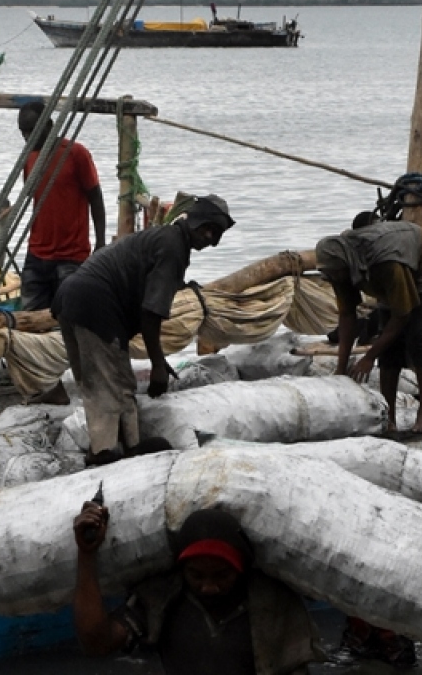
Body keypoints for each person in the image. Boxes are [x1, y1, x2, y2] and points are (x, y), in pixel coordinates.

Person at [52, 195, 234, 465]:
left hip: (71, 298)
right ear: (194, 221)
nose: (209, 238)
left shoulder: (164, 238)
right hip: (95, 304)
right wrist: (158, 364)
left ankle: (125, 447)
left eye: (215, 234)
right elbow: (151, 313)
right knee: (111, 384)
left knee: (104, 381)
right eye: (207, 229)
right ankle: (106, 454)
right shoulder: (172, 247)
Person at [73, 504, 323, 675]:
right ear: (182, 570)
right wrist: (87, 555)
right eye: (196, 575)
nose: (209, 587)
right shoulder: (161, 598)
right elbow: (98, 643)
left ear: (241, 569)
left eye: (222, 575)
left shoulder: (273, 605)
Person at [316, 219, 422, 434]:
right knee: (388, 347)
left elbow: (402, 315)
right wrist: (341, 368)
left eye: (335, 273)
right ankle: (389, 417)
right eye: (329, 274)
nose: (333, 278)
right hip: (388, 268)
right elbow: (347, 315)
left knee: (420, 337)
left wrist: (368, 357)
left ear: (345, 265)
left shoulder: (386, 264)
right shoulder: (338, 268)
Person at [17, 101, 106, 313]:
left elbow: (96, 198)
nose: (28, 137)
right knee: (30, 316)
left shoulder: (75, 154)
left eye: (33, 130)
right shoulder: (29, 158)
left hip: (71, 256)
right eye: (23, 132)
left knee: (70, 316)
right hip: (37, 253)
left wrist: (100, 241)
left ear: (49, 125)